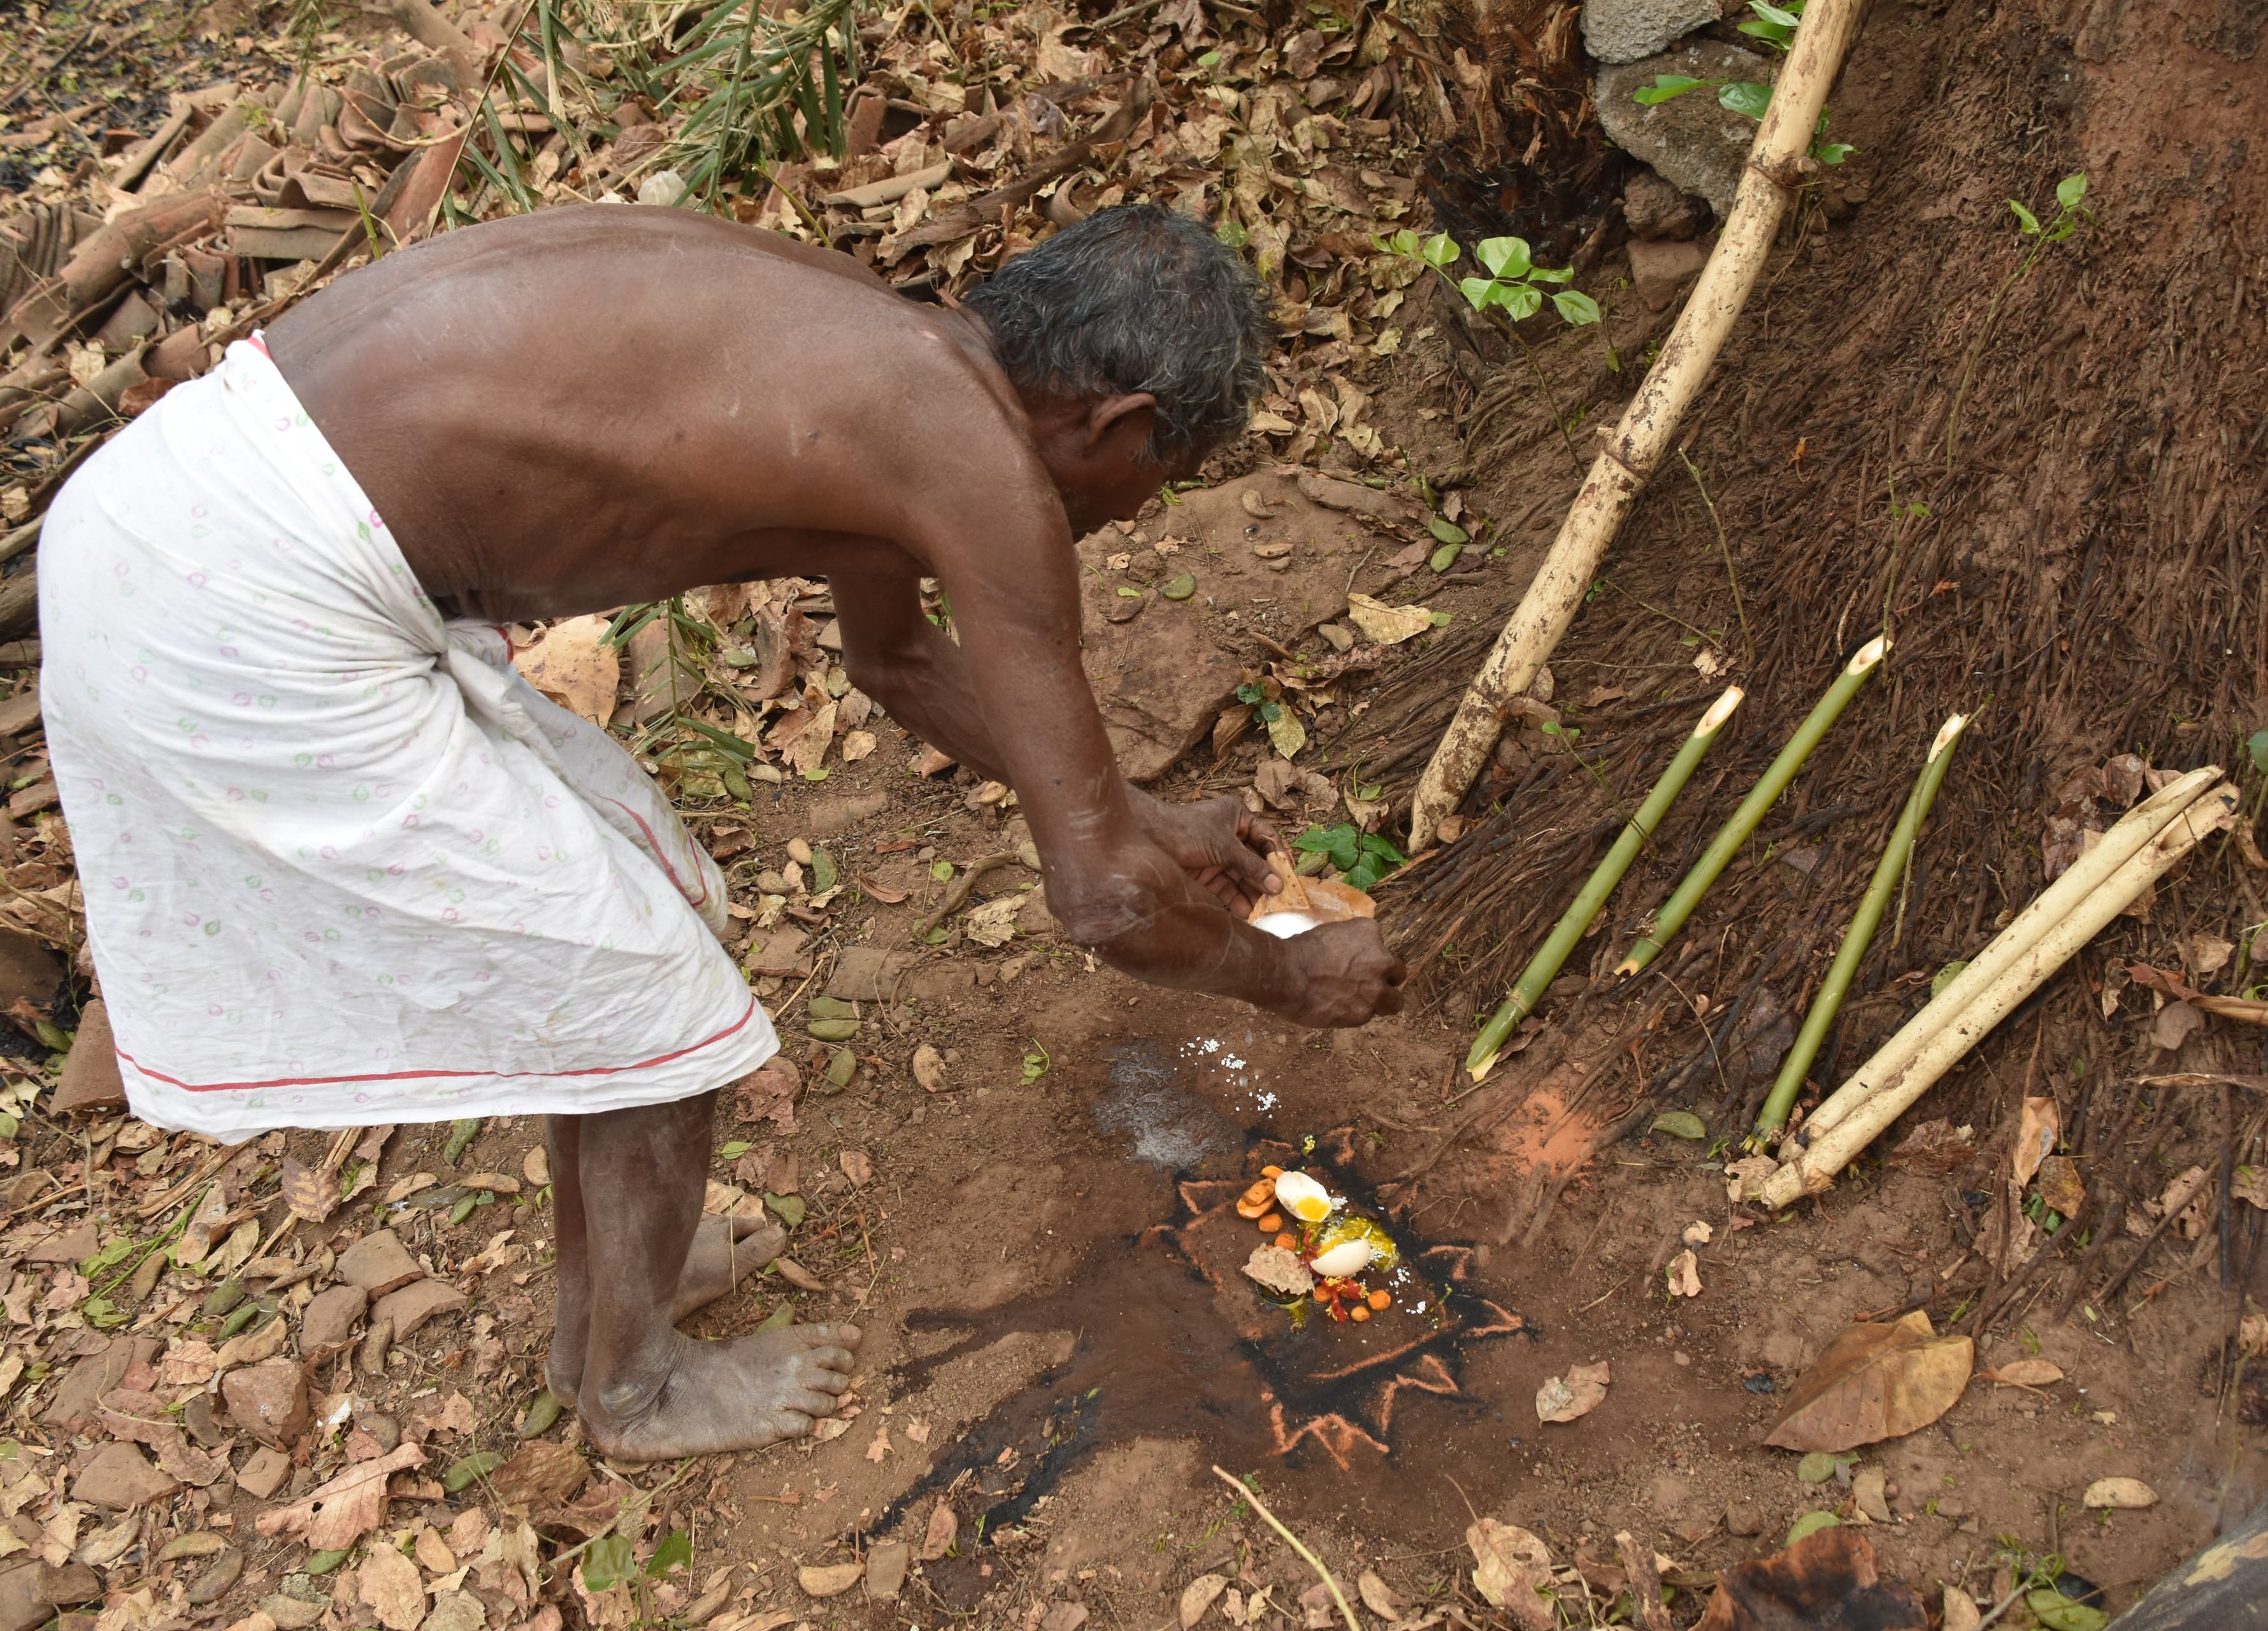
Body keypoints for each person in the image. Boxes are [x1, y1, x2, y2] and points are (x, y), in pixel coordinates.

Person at [37, 203, 1408, 1459]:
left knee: (648, 920)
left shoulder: (895, 362)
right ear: (1118, 425)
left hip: (179, 504)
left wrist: (1137, 812)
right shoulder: (975, 457)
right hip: (230, 598)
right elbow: (1102, 903)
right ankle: (628, 1384)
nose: (1124, 518)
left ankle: (621, 1278)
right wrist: (1289, 974)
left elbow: (897, 663)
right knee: (647, 992)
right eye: (1151, 484)